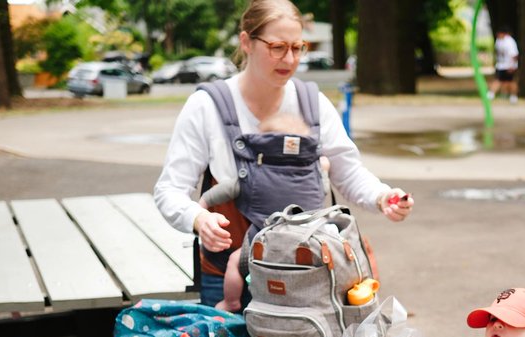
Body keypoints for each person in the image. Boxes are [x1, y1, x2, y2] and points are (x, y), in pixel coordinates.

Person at [153, 0, 413, 309]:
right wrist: (198, 218)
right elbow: (169, 190)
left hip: (310, 276)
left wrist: (383, 197)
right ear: (246, 42)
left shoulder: (312, 103)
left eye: (297, 47)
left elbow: (347, 171)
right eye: (277, 47)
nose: (289, 59)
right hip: (230, 276)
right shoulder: (207, 106)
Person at [194, 111, 331, 311]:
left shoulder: (255, 174)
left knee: (234, 263)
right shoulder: (314, 176)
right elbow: (324, 191)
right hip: (307, 242)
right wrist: (324, 170)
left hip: (263, 242)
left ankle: (230, 302)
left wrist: (202, 204)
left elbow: (227, 189)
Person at [488, 29, 519, 104]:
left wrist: (512, 66)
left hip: (509, 65)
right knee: (498, 80)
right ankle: (491, 94)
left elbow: (514, 55)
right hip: (501, 65)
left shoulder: (510, 41)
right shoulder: (499, 41)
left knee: (510, 81)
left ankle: (513, 97)